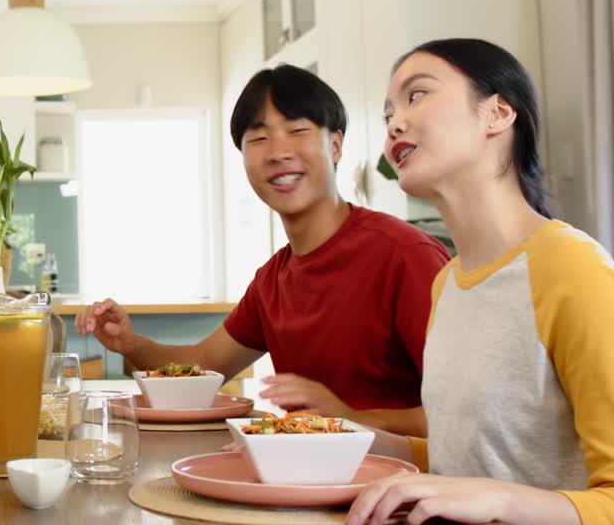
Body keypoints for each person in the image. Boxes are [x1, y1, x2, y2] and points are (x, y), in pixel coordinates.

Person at [76, 65, 449, 436]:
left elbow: (472, 415)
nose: (278, 152)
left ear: (335, 145)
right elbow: (204, 363)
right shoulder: (273, 280)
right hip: (308, 481)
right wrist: (130, 343)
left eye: (297, 130)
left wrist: (345, 417)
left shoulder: (405, 255)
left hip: (399, 487)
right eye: (258, 139)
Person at [347, 39, 614, 524]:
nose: (394, 125)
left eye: (416, 95)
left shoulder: (574, 269)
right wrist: (346, 437)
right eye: (387, 114)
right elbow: (470, 462)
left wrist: (501, 499)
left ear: (497, 114)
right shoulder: (447, 283)